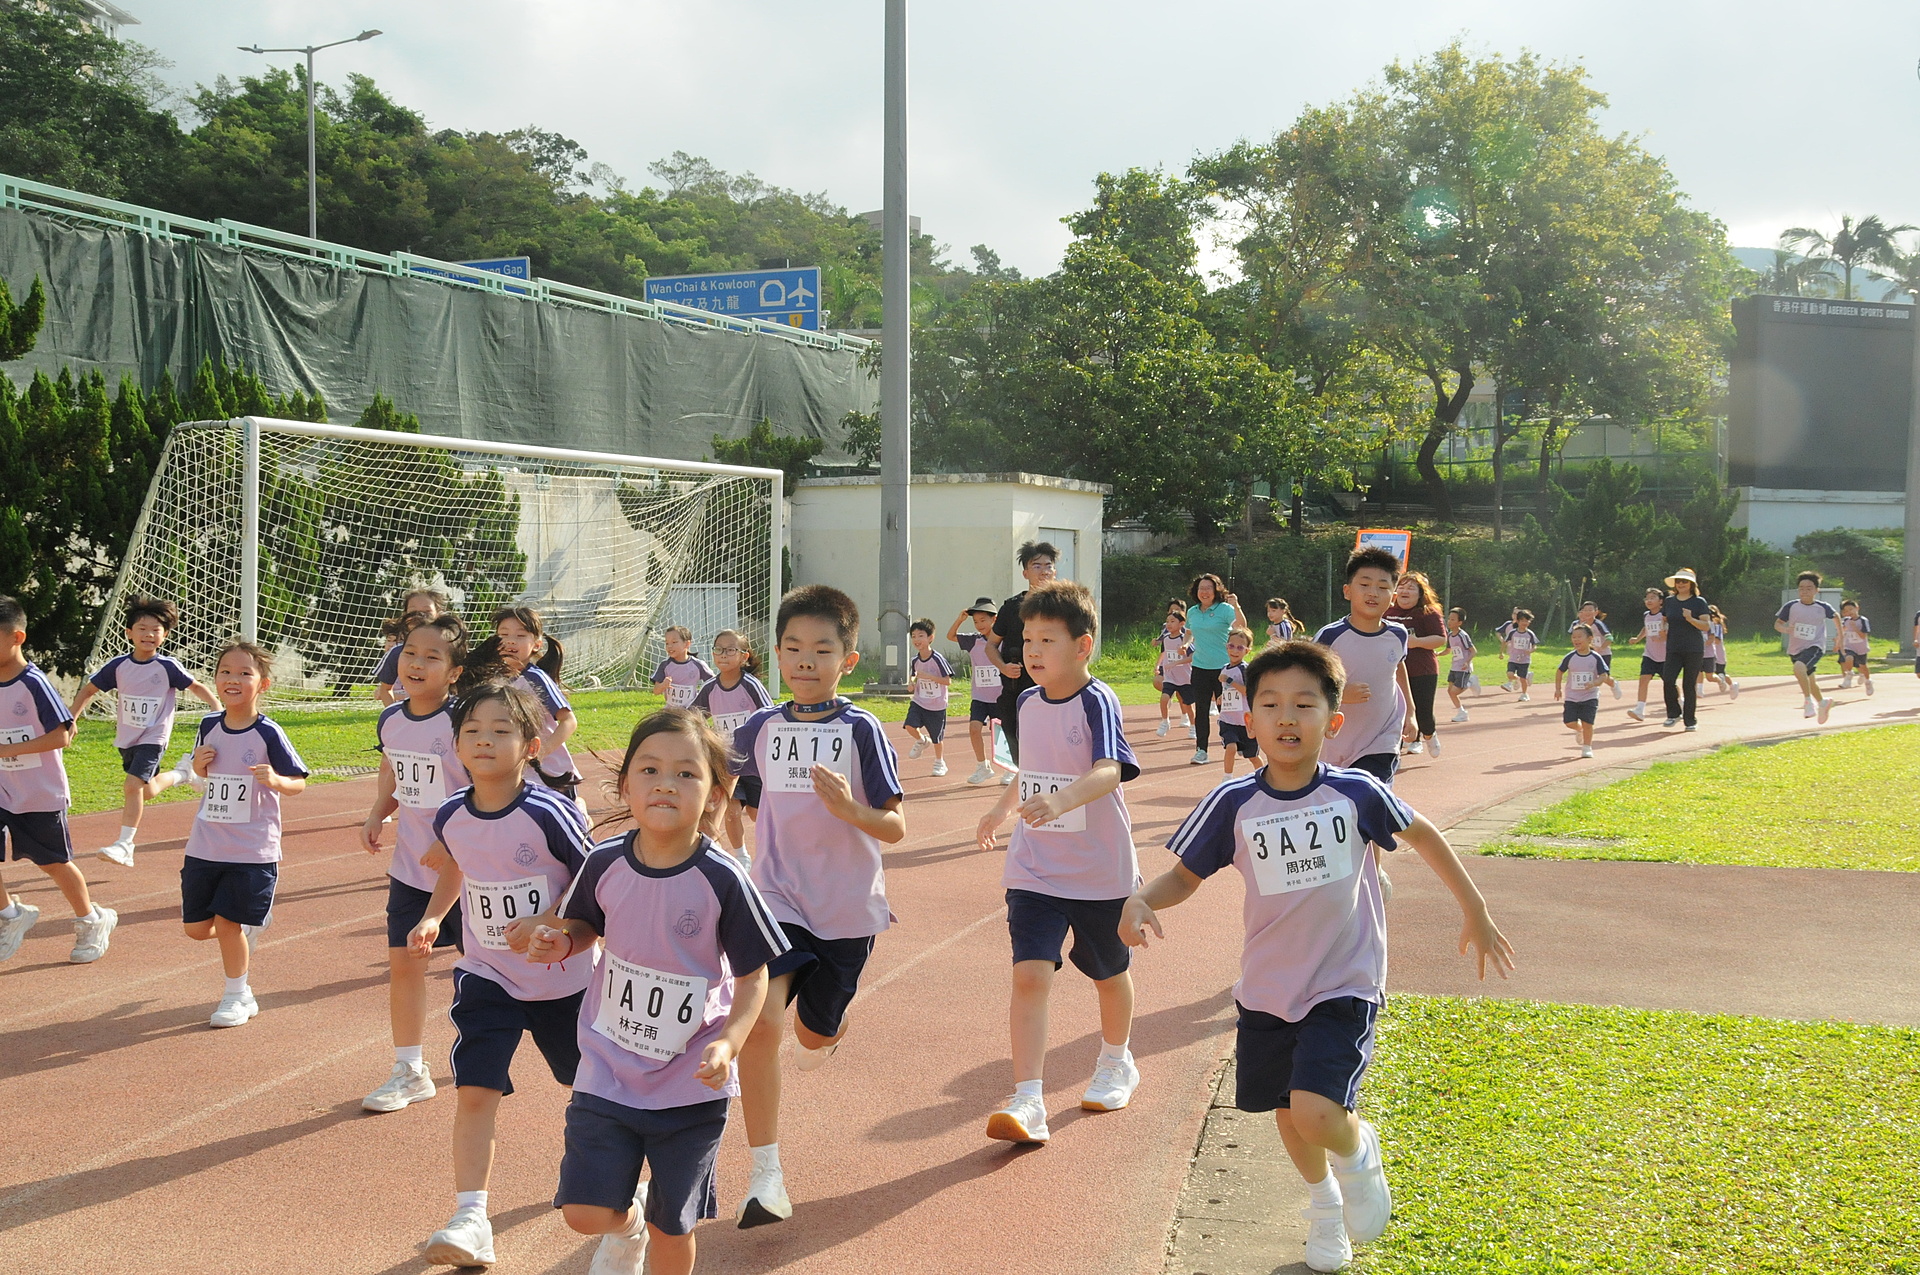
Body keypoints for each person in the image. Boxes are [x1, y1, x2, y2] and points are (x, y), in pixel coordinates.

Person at [1121, 640, 1515, 1274]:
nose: (1287, 717)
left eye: (1304, 705)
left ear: (1333, 722)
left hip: (1345, 979)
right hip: (1268, 987)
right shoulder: (1232, 803)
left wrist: (1475, 908)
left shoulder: (1356, 793)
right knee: (1288, 1112)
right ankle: (1325, 1207)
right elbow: (1185, 877)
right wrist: (1142, 899)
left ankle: (1359, 1158)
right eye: (1270, 704)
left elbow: (1423, 834)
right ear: (1248, 719)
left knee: (1316, 1109)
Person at [528, 709, 788, 1275]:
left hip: (690, 1082)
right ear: (625, 786)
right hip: (608, 1066)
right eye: (649, 770)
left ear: (715, 795)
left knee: (673, 1227)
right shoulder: (603, 862)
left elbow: (754, 975)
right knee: (584, 1213)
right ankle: (626, 1227)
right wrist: (562, 941)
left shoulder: (723, 878)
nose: (666, 784)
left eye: (686, 774)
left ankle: (652, 1226)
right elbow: (584, 924)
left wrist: (729, 1043)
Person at [728, 585, 906, 1226]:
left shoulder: (860, 729)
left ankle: (831, 1025)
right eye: (794, 647)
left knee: (812, 1033)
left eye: (822, 649)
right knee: (762, 1022)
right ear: (776, 655)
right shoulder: (762, 727)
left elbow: (895, 827)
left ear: (848, 660)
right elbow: (716, 774)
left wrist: (848, 809)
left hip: (847, 910)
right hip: (777, 896)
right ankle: (766, 1176)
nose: (806, 660)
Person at [413, 683, 592, 1269]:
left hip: (561, 981)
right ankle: (471, 1218)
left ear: (532, 746)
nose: (484, 740)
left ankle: (625, 1171)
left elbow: (595, 877)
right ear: (456, 745)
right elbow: (459, 867)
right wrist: (434, 916)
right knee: (475, 1087)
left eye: (500, 730)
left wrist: (549, 920)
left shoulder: (549, 812)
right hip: (486, 973)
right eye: (472, 731)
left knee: (587, 1087)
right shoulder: (451, 813)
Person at [976, 581, 1143, 1145]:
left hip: (1098, 871)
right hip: (1036, 867)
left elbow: (1109, 769)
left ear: (1082, 645)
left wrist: (1062, 800)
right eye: (1028, 640)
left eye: (1047, 639)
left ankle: (1117, 1061)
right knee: (1029, 975)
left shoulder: (1098, 700)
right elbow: (1032, 770)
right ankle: (1028, 1099)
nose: (1033, 650)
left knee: (1108, 974)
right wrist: (1001, 809)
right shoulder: (1026, 702)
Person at [359, 614, 471, 1113]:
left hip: (471, 872)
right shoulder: (391, 719)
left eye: (432, 657)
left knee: (490, 972)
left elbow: (487, 788)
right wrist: (377, 812)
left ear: (454, 672)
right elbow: (393, 771)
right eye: (409, 653)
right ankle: (409, 1069)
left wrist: (452, 840)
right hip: (410, 869)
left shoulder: (465, 720)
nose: (416, 664)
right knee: (405, 965)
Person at [179, 641, 310, 1027]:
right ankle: (248, 922)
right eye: (225, 672)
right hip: (206, 844)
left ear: (262, 684)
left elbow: (298, 782)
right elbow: (201, 773)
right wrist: (198, 767)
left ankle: (237, 996)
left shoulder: (268, 732)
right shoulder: (208, 725)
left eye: (244, 673)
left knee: (227, 922)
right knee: (196, 929)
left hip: (252, 849)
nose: (233, 679)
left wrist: (276, 780)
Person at [0, 595, 118, 965]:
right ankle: (10, 915)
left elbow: (63, 734)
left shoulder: (34, 683)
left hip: (38, 793)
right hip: (2, 789)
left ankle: (92, 918)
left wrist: (5, 751)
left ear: (17, 637)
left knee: (52, 863)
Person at [70, 595, 219, 865]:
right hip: (128, 740)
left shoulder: (167, 667)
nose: (149, 634)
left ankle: (125, 845)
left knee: (132, 786)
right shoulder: (118, 666)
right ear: (129, 633)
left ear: (164, 635)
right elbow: (88, 690)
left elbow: (196, 686)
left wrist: (216, 708)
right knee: (145, 791)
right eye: (142, 628)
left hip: (154, 738)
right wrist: (71, 719)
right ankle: (184, 773)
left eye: (155, 630)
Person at [1312, 549, 1413, 787]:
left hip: (1382, 738)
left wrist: (1410, 711)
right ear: (1347, 591)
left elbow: (1398, 668)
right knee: (1340, 799)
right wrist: (1340, 694)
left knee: (1371, 791)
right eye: (1365, 584)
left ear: (1393, 596)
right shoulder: (1329, 637)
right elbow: (1306, 681)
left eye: (1382, 587)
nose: (1373, 593)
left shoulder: (1398, 635)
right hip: (1335, 742)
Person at [473, 606, 584, 809]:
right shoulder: (492, 680)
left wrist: (541, 753)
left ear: (536, 644)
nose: (511, 641)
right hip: (517, 772)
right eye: (504, 634)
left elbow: (569, 721)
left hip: (551, 774)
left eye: (520, 635)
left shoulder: (535, 678)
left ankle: (581, 812)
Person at [689, 629, 773, 860]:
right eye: (718, 649)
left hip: (754, 762)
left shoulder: (751, 685)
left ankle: (772, 853)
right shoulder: (710, 688)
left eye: (730, 650)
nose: (723, 654)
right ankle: (741, 857)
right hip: (727, 761)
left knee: (756, 813)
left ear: (744, 656)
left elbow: (770, 717)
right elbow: (692, 716)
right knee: (731, 810)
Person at [992, 542, 1059, 770]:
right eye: (1037, 566)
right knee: (1018, 748)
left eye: (1048, 566)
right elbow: (991, 646)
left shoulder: (1064, 607)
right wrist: (1003, 667)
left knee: (1050, 747)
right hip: (1015, 689)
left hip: (1053, 688)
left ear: (1055, 571)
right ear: (1025, 573)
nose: (1044, 571)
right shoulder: (1011, 608)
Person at [1184, 573, 1251, 767]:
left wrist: (1236, 606)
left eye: (1208, 588)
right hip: (1200, 667)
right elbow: (1189, 632)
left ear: (1216, 591)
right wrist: (1185, 644)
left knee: (1228, 708)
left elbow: (1242, 626)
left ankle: (1238, 742)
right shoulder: (1193, 612)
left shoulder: (1225, 609)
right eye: (1201, 588)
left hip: (1224, 669)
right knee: (1201, 710)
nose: (1204, 592)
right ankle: (1201, 750)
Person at [1385, 573, 1446, 758]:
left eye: (1411, 588)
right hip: (1392, 671)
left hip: (1422, 670)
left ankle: (1429, 734)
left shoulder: (1428, 612)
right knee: (1394, 712)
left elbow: (1440, 639)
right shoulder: (1387, 612)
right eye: (1401, 587)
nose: (1405, 591)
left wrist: (1416, 642)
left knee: (1422, 712)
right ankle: (1397, 748)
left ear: (1420, 593)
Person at [948, 597, 1004, 785]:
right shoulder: (973, 640)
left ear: (994, 619)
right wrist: (960, 620)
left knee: (1002, 734)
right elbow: (951, 636)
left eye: (983, 620)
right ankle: (983, 766)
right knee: (974, 729)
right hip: (980, 696)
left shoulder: (1003, 641)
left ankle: (1009, 768)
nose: (979, 625)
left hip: (1000, 697)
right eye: (976, 621)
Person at [1775, 571, 1837, 723]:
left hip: (1815, 646)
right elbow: (1777, 624)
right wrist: (1785, 629)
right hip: (1796, 648)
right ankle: (1823, 702)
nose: (1805, 591)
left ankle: (1808, 702)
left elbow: (1836, 617)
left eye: (1809, 588)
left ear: (1816, 590)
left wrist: (1840, 638)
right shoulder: (1791, 606)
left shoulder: (1822, 607)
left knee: (1798, 668)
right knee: (1809, 680)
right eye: (1801, 588)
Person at [1657, 569, 1713, 732]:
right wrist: (1663, 629)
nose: (1681, 584)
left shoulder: (1699, 602)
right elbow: (1664, 619)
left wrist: (1690, 618)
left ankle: (1690, 720)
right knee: (1668, 680)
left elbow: (1706, 626)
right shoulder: (1669, 601)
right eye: (1678, 581)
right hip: (1673, 647)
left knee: (1689, 684)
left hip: (1693, 648)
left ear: (1691, 584)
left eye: (1684, 581)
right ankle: (1673, 714)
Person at [375, 589, 451, 706]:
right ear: (405, 616)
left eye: (427, 611)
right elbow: (385, 690)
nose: (420, 616)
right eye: (413, 611)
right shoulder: (397, 653)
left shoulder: (451, 651)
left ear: (439, 613)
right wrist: (393, 713)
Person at [903, 618, 953, 777]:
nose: (916, 640)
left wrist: (930, 677)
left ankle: (939, 762)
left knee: (937, 737)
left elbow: (948, 681)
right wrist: (911, 683)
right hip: (919, 701)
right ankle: (922, 741)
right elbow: (913, 675)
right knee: (909, 725)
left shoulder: (937, 659)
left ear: (930, 637)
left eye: (920, 636)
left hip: (937, 705)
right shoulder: (914, 660)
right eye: (913, 636)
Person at [1554, 625, 1614, 758]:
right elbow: (1559, 671)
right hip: (1572, 696)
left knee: (1588, 722)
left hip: (1590, 696)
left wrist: (1594, 683)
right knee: (1569, 722)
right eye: (1573, 637)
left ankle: (1587, 747)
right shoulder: (1570, 657)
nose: (1576, 640)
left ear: (1589, 639)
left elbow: (1603, 675)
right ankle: (1579, 729)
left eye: (1579, 637)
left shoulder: (1596, 657)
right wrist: (1558, 689)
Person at [1217, 627, 1258, 775]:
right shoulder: (1224, 668)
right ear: (1226, 646)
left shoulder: (1245, 669)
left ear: (1247, 651)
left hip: (1245, 721)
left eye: (1240, 648)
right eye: (1231, 646)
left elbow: (1248, 691)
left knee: (1253, 756)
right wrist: (1222, 696)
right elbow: (1228, 690)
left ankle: (1264, 776)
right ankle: (1227, 777)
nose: (1234, 651)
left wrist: (1230, 681)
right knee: (1231, 747)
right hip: (1228, 719)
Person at [1625, 588, 1668, 722]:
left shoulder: (1665, 615)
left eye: (1652, 598)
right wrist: (1637, 638)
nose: (1649, 601)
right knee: (1643, 679)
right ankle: (1640, 709)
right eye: (1647, 598)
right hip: (1649, 654)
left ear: (1660, 601)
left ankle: (1681, 702)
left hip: (1665, 656)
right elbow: (1646, 628)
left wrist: (1663, 637)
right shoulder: (1646, 615)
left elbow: (1671, 631)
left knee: (1669, 683)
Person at [1156, 602, 1196, 741]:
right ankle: (1165, 721)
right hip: (1170, 677)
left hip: (1185, 678)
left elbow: (1192, 657)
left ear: (1181, 624)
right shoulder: (1166, 639)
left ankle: (1193, 726)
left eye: (1172, 621)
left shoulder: (1183, 640)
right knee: (1164, 698)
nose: (1169, 624)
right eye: (1167, 621)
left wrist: (1177, 662)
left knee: (1187, 705)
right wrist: (1159, 666)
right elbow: (1166, 654)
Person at [652, 626, 716, 710]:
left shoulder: (698, 665)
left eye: (674, 642)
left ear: (687, 644)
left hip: (690, 711)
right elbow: (656, 691)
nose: (669, 646)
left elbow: (714, 684)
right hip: (670, 710)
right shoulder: (665, 665)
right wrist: (663, 685)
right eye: (667, 643)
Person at [1443, 608, 1476, 723]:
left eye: (1453, 619)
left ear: (1459, 622)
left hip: (1463, 668)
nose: (1449, 621)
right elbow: (1448, 650)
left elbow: (1473, 651)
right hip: (1454, 667)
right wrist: (1437, 654)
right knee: (1450, 691)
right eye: (1449, 619)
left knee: (1454, 691)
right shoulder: (1450, 635)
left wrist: (1467, 662)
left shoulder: (1463, 635)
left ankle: (1470, 682)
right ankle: (1461, 712)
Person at [1701, 606, 1740, 698]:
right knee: (1706, 672)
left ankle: (1732, 685)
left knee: (1720, 673)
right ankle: (1699, 690)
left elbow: (1717, 640)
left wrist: (1706, 640)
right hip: (1709, 654)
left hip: (1718, 655)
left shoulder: (1716, 626)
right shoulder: (1704, 626)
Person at [1502, 610, 1540, 702]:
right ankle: (1517, 679)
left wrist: (1530, 650)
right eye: (1522, 620)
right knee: (1510, 674)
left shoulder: (1530, 634)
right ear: (1518, 621)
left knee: (1523, 679)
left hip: (1524, 660)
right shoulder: (1512, 633)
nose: (1524, 623)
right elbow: (1504, 642)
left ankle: (1524, 694)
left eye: (1527, 621)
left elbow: (1535, 645)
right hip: (1513, 658)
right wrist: (1501, 652)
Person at [1838, 600, 1874, 695]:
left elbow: (1863, 636)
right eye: (1846, 610)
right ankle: (1849, 674)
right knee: (1848, 658)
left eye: (1851, 609)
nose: (1849, 612)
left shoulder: (1863, 620)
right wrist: (1838, 642)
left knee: (1863, 666)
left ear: (1857, 608)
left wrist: (1855, 628)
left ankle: (1868, 681)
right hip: (1849, 646)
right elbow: (1842, 631)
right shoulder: (1846, 620)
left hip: (1861, 648)